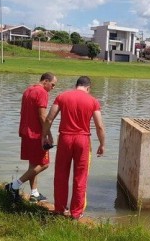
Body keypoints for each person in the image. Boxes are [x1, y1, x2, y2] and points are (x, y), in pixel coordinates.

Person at [42, 76, 105, 220]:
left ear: (76, 85)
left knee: (61, 175)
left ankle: (59, 208)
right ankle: (76, 213)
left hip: (65, 138)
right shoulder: (93, 101)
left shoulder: (62, 96)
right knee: (80, 177)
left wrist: (44, 136)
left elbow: (49, 118)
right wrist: (102, 144)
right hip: (82, 140)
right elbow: (99, 126)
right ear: (88, 88)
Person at [5, 72, 57, 203]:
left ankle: (34, 193)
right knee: (44, 164)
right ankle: (14, 185)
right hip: (36, 134)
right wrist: (48, 135)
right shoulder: (42, 92)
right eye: (52, 84)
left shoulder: (28, 90)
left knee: (33, 164)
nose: (53, 88)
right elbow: (42, 116)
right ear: (45, 81)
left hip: (25, 131)